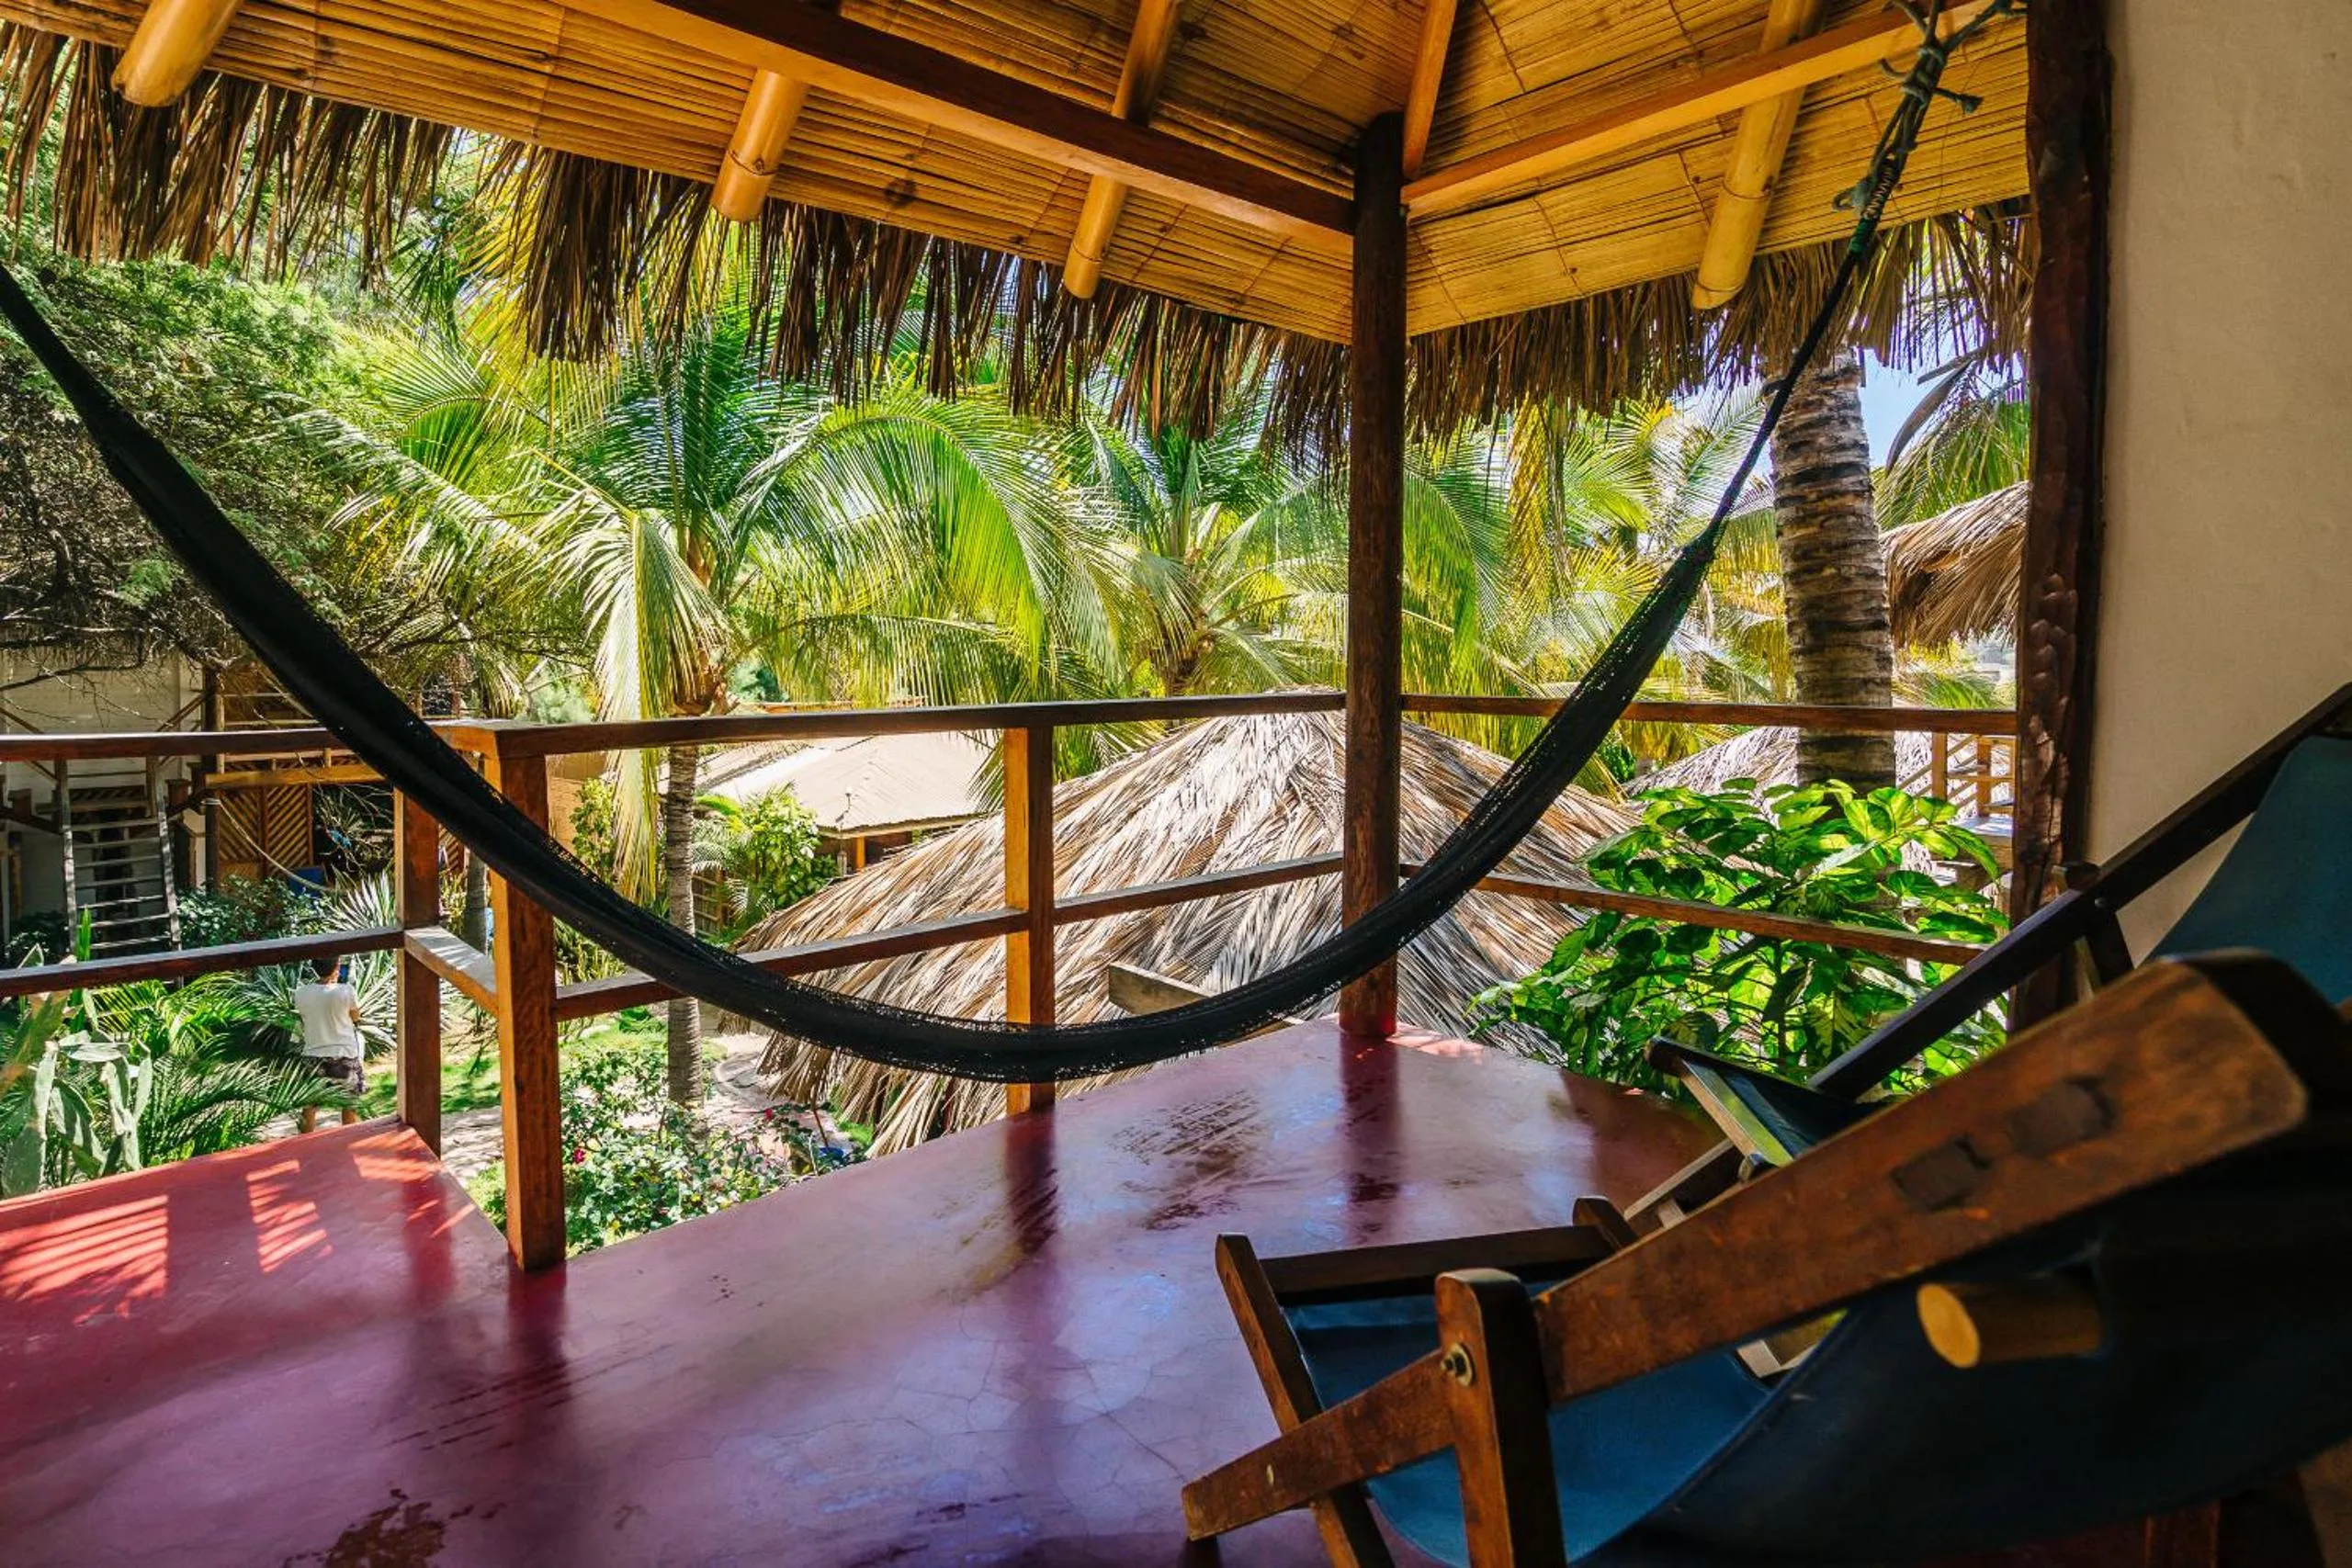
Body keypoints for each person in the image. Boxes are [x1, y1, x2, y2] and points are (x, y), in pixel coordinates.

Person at [293, 955, 365, 1132]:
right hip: (344, 1054)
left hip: (313, 1055)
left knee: (309, 1105)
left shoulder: (301, 993)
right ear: (336, 967)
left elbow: (303, 1019)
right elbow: (355, 1017)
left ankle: (304, 1144)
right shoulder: (346, 990)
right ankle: (348, 1139)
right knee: (348, 1104)